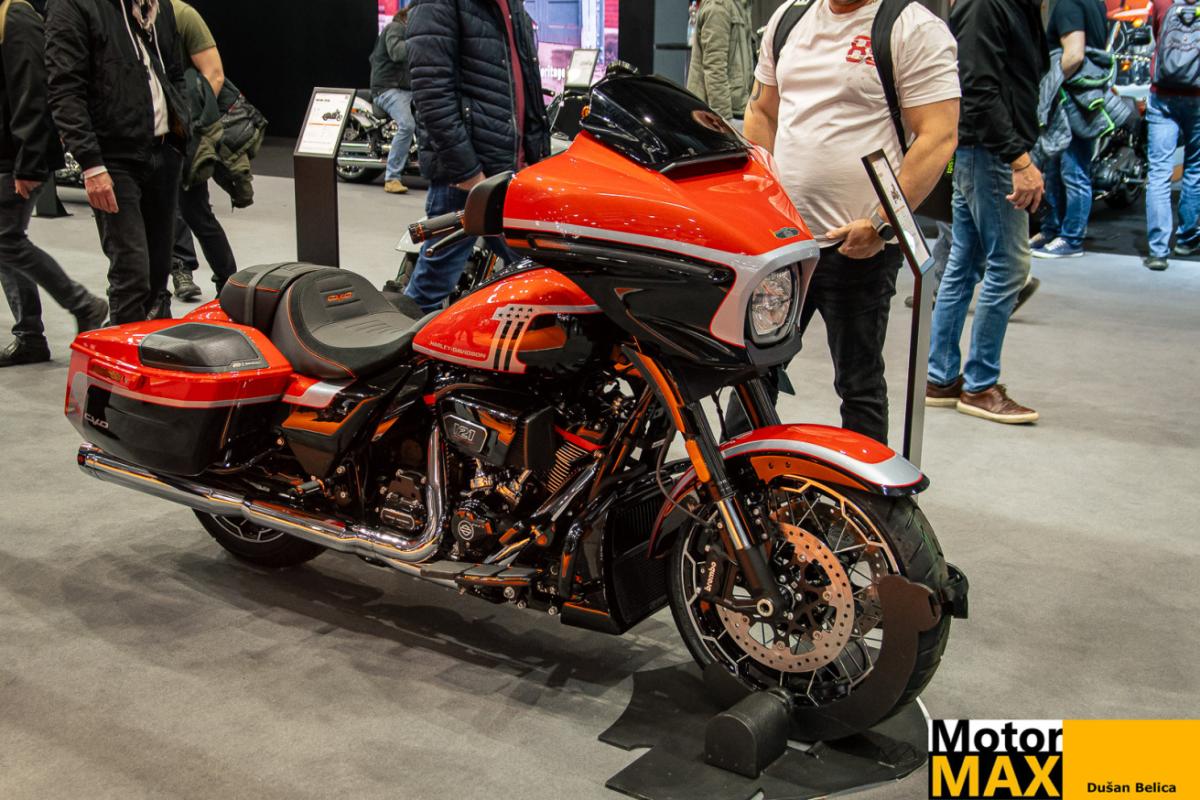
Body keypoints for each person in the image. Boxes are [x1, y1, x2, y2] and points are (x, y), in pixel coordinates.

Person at [743, 0, 960, 444]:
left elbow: (938, 134)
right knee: (752, 376)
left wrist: (881, 223)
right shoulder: (788, 19)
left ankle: (867, 488)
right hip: (783, 245)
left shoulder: (911, 28)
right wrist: (763, 198)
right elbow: (763, 110)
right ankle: (740, 481)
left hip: (858, 248)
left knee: (859, 383)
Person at [925, 0, 1047, 424]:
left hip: (986, 151)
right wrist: (1018, 159)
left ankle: (941, 378)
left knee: (964, 264)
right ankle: (979, 385)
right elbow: (977, 89)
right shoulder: (986, 5)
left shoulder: (1009, 6)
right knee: (1010, 267)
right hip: (992, 154)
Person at [46, 0, 190, 324]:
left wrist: (183, 126)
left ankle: (142, 348)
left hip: (164, 152)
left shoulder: (158, 7)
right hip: (114, 159)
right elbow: (65, 90)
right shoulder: (73, 5)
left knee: (157, 274)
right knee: (131, 274)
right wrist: (91, 164)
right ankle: (122, 353)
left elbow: (175, 73)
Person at [404, 0, 550, 312]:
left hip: (507, 174)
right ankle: (404, 338)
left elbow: (526, 85)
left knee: (536, 274)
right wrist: (468, 173)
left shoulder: (511, 6)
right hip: (470, 179)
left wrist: (534, 157)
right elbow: (431, 94)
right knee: (431, 287)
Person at [0, 0, 107, 366]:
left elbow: (33, 91)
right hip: (9, 155)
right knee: (5, 243)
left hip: (17, 158)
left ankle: (83, 305)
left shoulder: (14, 16)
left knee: (6, 240)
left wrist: (29, 163)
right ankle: (30, 336)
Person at [168, 0, 236, 302]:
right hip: (148, 134)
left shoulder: (182, 15)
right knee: (158, 215)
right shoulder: (129, 20)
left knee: (195, 212)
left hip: (186, 133)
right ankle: (177, 272)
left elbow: (214, 74)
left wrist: (191, 127)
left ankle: (228, 282)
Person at [1032, 0, 1108, 259]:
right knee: (1057, 168)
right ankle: (1052, 230)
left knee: (1073, 170)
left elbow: (1074, 54)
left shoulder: (1068, 4)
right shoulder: (1095, 3)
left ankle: (1071, 238)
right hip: (1078, 96)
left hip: (1072, 98)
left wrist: (1050, 83)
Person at [1143, 0, 1200, 272]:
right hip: (1198, 97)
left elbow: (1156, 36)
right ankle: (1187, 239)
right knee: (1195, 168)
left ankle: (1158, 251)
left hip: (1162, 94)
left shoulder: (1162, 2)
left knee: (1159, 172)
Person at [371, 8, 416, 195]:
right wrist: (419, 41)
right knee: (407, 124)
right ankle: (392, 178)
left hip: (406, 90)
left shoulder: (407, 35)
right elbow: (397, 52)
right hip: (387, 89)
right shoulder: (395, 28)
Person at [686, 0, 754, 122]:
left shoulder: (739, 5)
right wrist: (724, 122)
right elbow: (715, 69)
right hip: (722, 115)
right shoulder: (718, 6)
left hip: (737, 110)